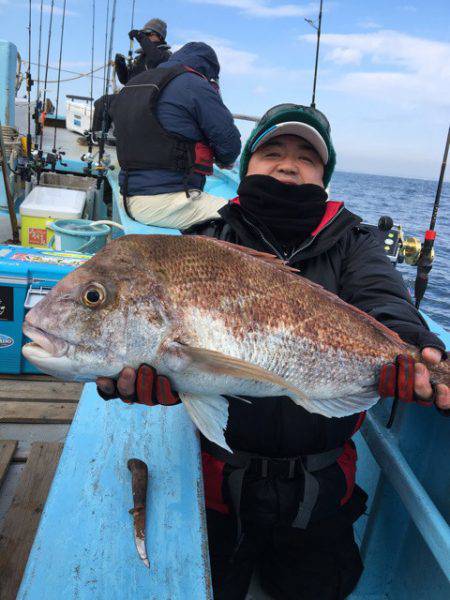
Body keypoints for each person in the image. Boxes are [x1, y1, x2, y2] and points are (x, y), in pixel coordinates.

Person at [97, 104, 449, 599]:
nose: (288, 164)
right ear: (246, 167)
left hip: (324, 490)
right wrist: (158, 376)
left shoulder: (354, 242)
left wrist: (416, 348)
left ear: (323, 176)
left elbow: (383, 298)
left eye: (307, 157)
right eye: (272, 151)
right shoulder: (207, 239)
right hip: (219, 485)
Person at [110, 42, 241, 230]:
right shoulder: (195, 83)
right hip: (166, 202)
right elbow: (230, 147)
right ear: (208, 70)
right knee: (246, 222)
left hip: (127, 197)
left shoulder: (135, 83)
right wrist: (221, 157)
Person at [114, 18, 172, 85]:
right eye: (144, 34)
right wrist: (120, 65)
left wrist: (140, 37)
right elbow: (126, 81)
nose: (145, 37)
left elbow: (156, 59)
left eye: (148, 34)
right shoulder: (138, 59)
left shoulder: (166, 56)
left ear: (160, 37)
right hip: (134, 94)